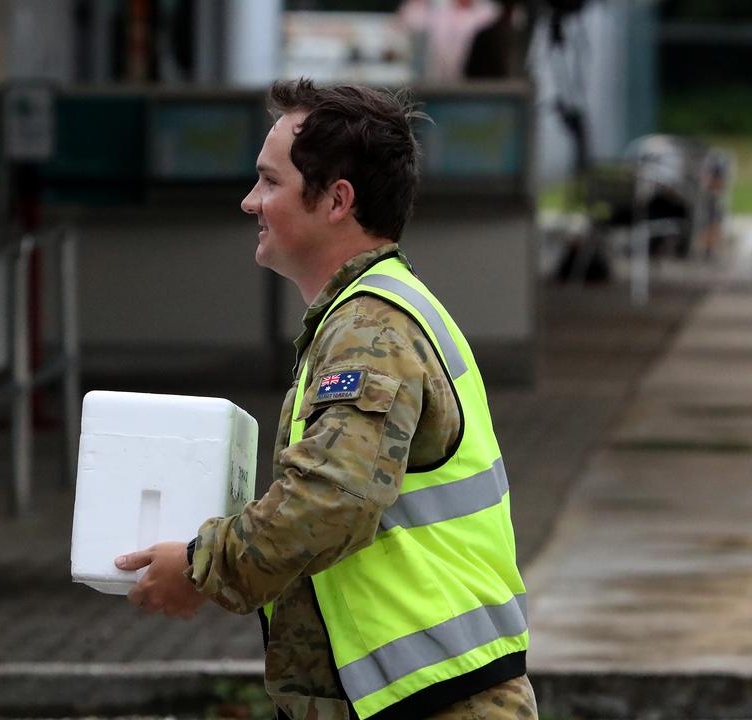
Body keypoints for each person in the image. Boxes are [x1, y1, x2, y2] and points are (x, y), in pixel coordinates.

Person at [114, 79, 537, 720]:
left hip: (429, 701)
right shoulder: (365, 314)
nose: (249, 201)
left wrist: (201, 566)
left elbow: (330, 502)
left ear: (337, 200)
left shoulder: (371, 331)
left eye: (269, 182)